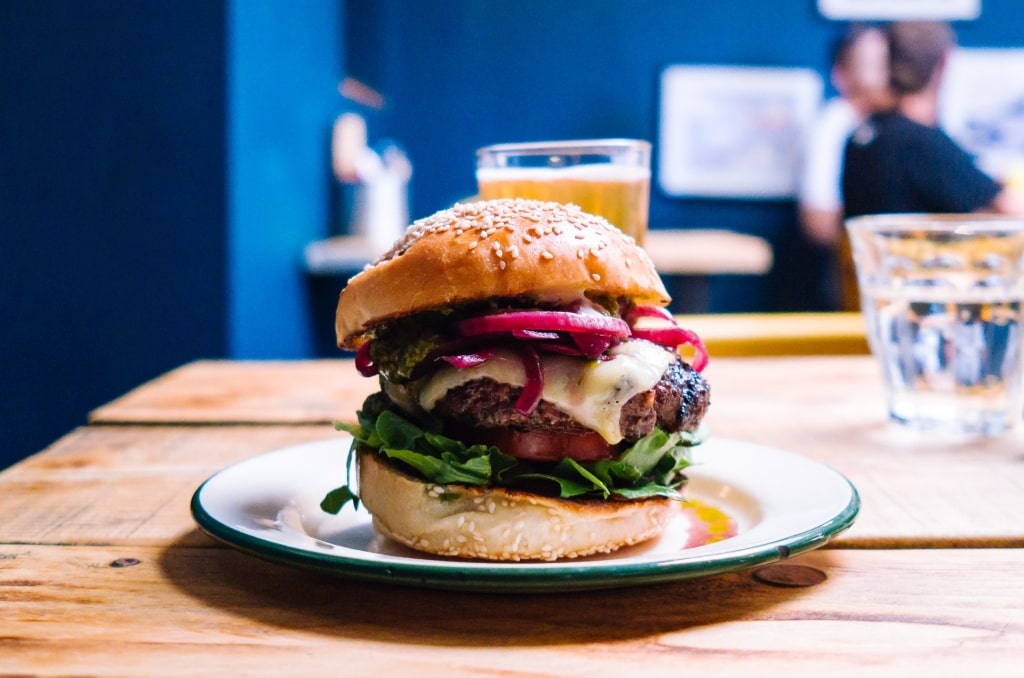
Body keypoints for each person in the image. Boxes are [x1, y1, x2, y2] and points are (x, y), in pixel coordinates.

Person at [839, 21, 1024, 309]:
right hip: (923, 316)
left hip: (872, 306)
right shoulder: (919, 142)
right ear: (945, 62)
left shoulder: (862, 138)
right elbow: (1012, 214)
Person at [799, 24, 891, 249]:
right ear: (840, 74)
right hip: (852, 264)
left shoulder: (896, 124)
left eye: (888, 64)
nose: (884, 75)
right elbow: (818, 222)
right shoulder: (834, 124)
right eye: (872, 65)